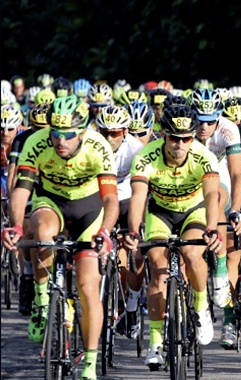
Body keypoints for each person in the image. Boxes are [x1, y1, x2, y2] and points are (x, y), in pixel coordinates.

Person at [2, 94, 119, 380]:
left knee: (88, 286)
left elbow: (111, 200)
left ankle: (90, 362)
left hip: (88, 208)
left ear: (81, 131)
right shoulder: (36, 142)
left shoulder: (98, 146)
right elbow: (21, 191)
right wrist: (16, 226)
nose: (60, 141)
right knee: (41, 231)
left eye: (67, 135)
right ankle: (43, 300)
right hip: (51, 201)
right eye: (55, 133)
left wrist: (105, 231)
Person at [123, 105, 223, 368]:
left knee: (192, 253)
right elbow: (138, 199)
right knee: (159, 268)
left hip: (194, 211)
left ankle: (201, 308)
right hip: (161, 213)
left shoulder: (204, 157)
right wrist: (134, 232)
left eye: (187, 138)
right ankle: (155, 343)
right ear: (163, 134)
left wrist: (212, 228)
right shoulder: (145, 157)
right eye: (174, 138)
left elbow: (213, 195)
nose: (180, 144)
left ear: (194, 137)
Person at [188, 88, 241, 349]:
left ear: (218, 117)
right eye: (199, 120)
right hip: (188, 180)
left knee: (232, 252)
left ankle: (230, 319)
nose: (203, 127)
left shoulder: (228, 129)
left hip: (219, 176)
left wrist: (236, 209)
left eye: (210, 121)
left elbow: (236, 175)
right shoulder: (183, 127)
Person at [95, 105, 145, 337]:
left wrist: (134, 229)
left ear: (125, 132)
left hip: (126, 197)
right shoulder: (91, 143)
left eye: (114, 133)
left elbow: (140, 191)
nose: (108, 137)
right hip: (99, 197)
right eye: (104, 132)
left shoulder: (136, 150)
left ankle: (132, 306)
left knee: (134, 251)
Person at [6, 103, 51, 316]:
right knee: (27, 228)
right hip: (29, 185)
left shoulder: (58, 140)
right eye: (35, 127)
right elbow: (13, 173)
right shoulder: (22, 139)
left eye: (44, 128)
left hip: (50, 187)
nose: (40, 133)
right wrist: (12, 198)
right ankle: (27, 273)